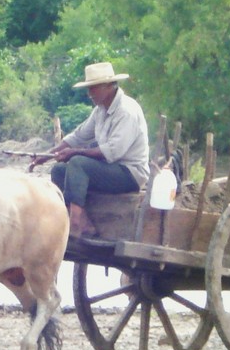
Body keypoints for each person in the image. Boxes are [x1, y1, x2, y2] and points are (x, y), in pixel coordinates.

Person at [31, 62, 149, 238]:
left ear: (108, 87)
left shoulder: (126, 111)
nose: (89, 94)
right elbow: (78, 136)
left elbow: (112, 152)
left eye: (93, 89)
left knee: (78, 163)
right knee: (59, 170)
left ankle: (75, 223)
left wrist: (75, 153)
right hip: (110, 169)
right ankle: (84, 223)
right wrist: (47, 155)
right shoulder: (100, 110)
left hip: (130, 173)